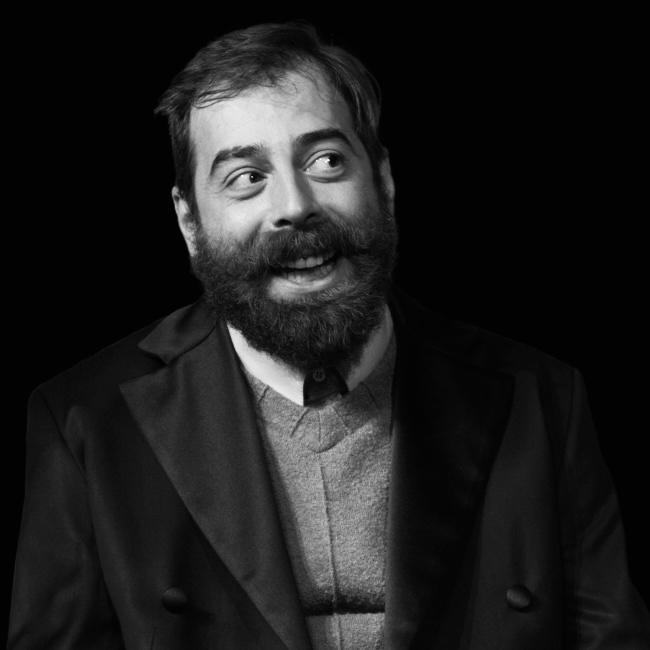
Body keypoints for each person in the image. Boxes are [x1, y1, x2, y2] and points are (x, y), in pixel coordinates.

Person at [8, 21, 649, 650]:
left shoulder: (545, 401)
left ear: (384, 183)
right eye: (246, 177)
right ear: (189, 221)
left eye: (326, 161)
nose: (295, 205)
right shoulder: (85, 421)